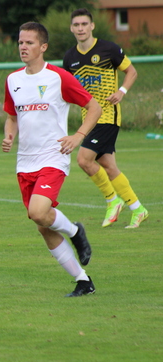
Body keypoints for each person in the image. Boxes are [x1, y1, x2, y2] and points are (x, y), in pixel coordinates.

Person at [2, 22, 102, 297]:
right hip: (25, 162)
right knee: (43, 225)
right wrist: (10, 136)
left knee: (37, 212)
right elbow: (12, 117)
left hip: (52, 158)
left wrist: (78, 135)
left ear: (43, 47)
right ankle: (83, 281)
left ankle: (75, 231)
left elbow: (94, 106)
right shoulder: (13, 80)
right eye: (21, 42)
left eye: (29, 43)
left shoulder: (59, 77)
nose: (23, 47)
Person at [63, 8, 148, 229]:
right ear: (71, 28)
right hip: (88, 119)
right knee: (109, 166)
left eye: (84, 24)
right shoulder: (70, 58)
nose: (80, 28)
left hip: (107, 116)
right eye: (76, 25)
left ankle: (112, 200)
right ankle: (137, 209)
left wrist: (122, 91)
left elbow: (132, 72)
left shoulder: (108, 49)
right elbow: (69, 89)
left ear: (92, 26)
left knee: (83, 160)